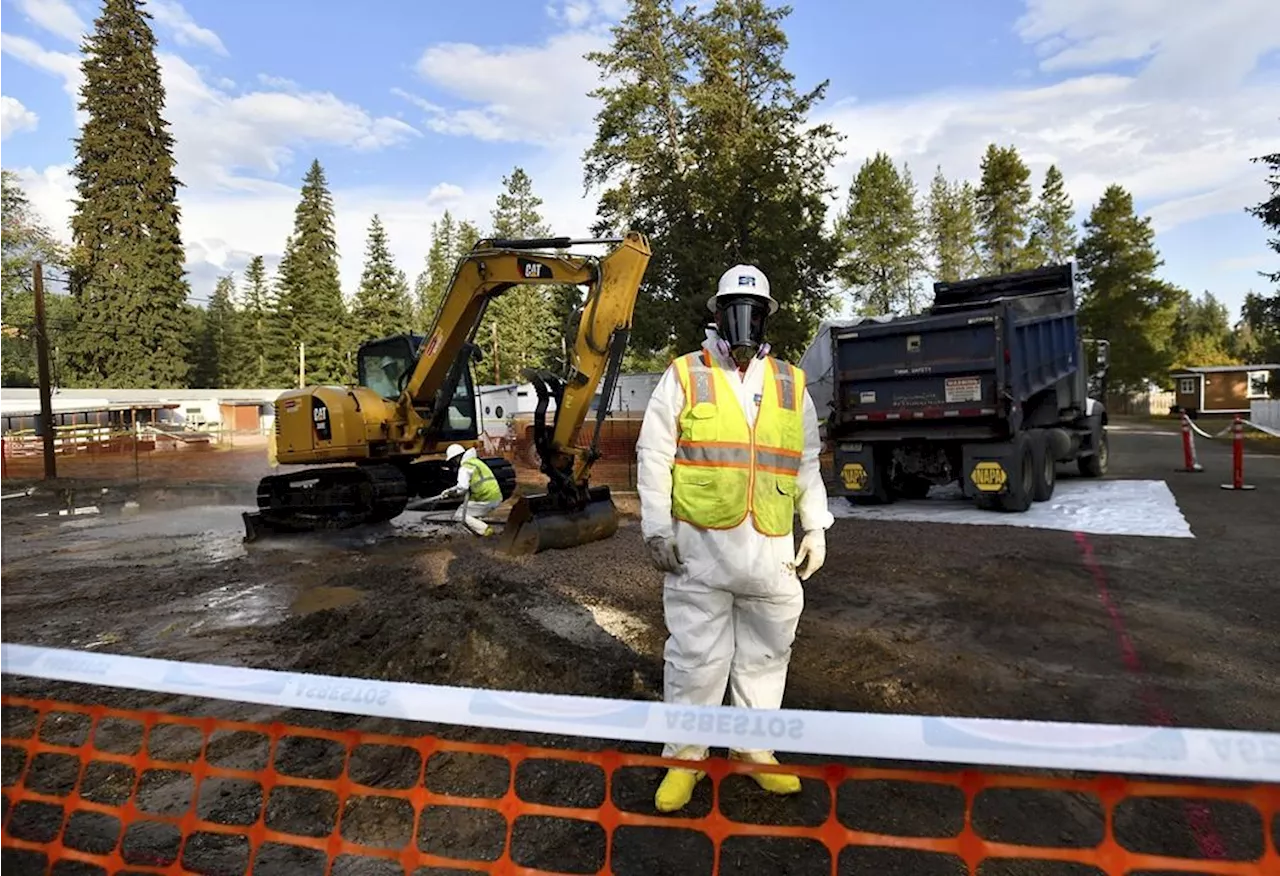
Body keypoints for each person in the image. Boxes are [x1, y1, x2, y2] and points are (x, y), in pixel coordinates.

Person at [635, 264, 834, 813]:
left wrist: (814, 524)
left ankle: (752, 751)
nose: (742, 323)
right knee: (696, 657)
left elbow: (806, 462)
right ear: (716, 315)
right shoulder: (684, 374)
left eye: (752, 311)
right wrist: (655, 527)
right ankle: (686, 760)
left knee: (767, 657)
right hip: (701, 548)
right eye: (732, 311)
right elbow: (654, 456)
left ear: (767, 316)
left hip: (771, 550)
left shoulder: (792, 384)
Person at [441, 443, 503, 536]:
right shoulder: (475, 461)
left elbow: (462, 488)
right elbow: (464, 484)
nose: (454, 463)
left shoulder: (465, 467)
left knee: (459, 515)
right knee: (470, 512)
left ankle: (485, 530)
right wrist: (449, 490)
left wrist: (451, 494)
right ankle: (477, 528)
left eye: (453, 460)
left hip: (485, 498)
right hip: (496, 496)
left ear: (456, 458)